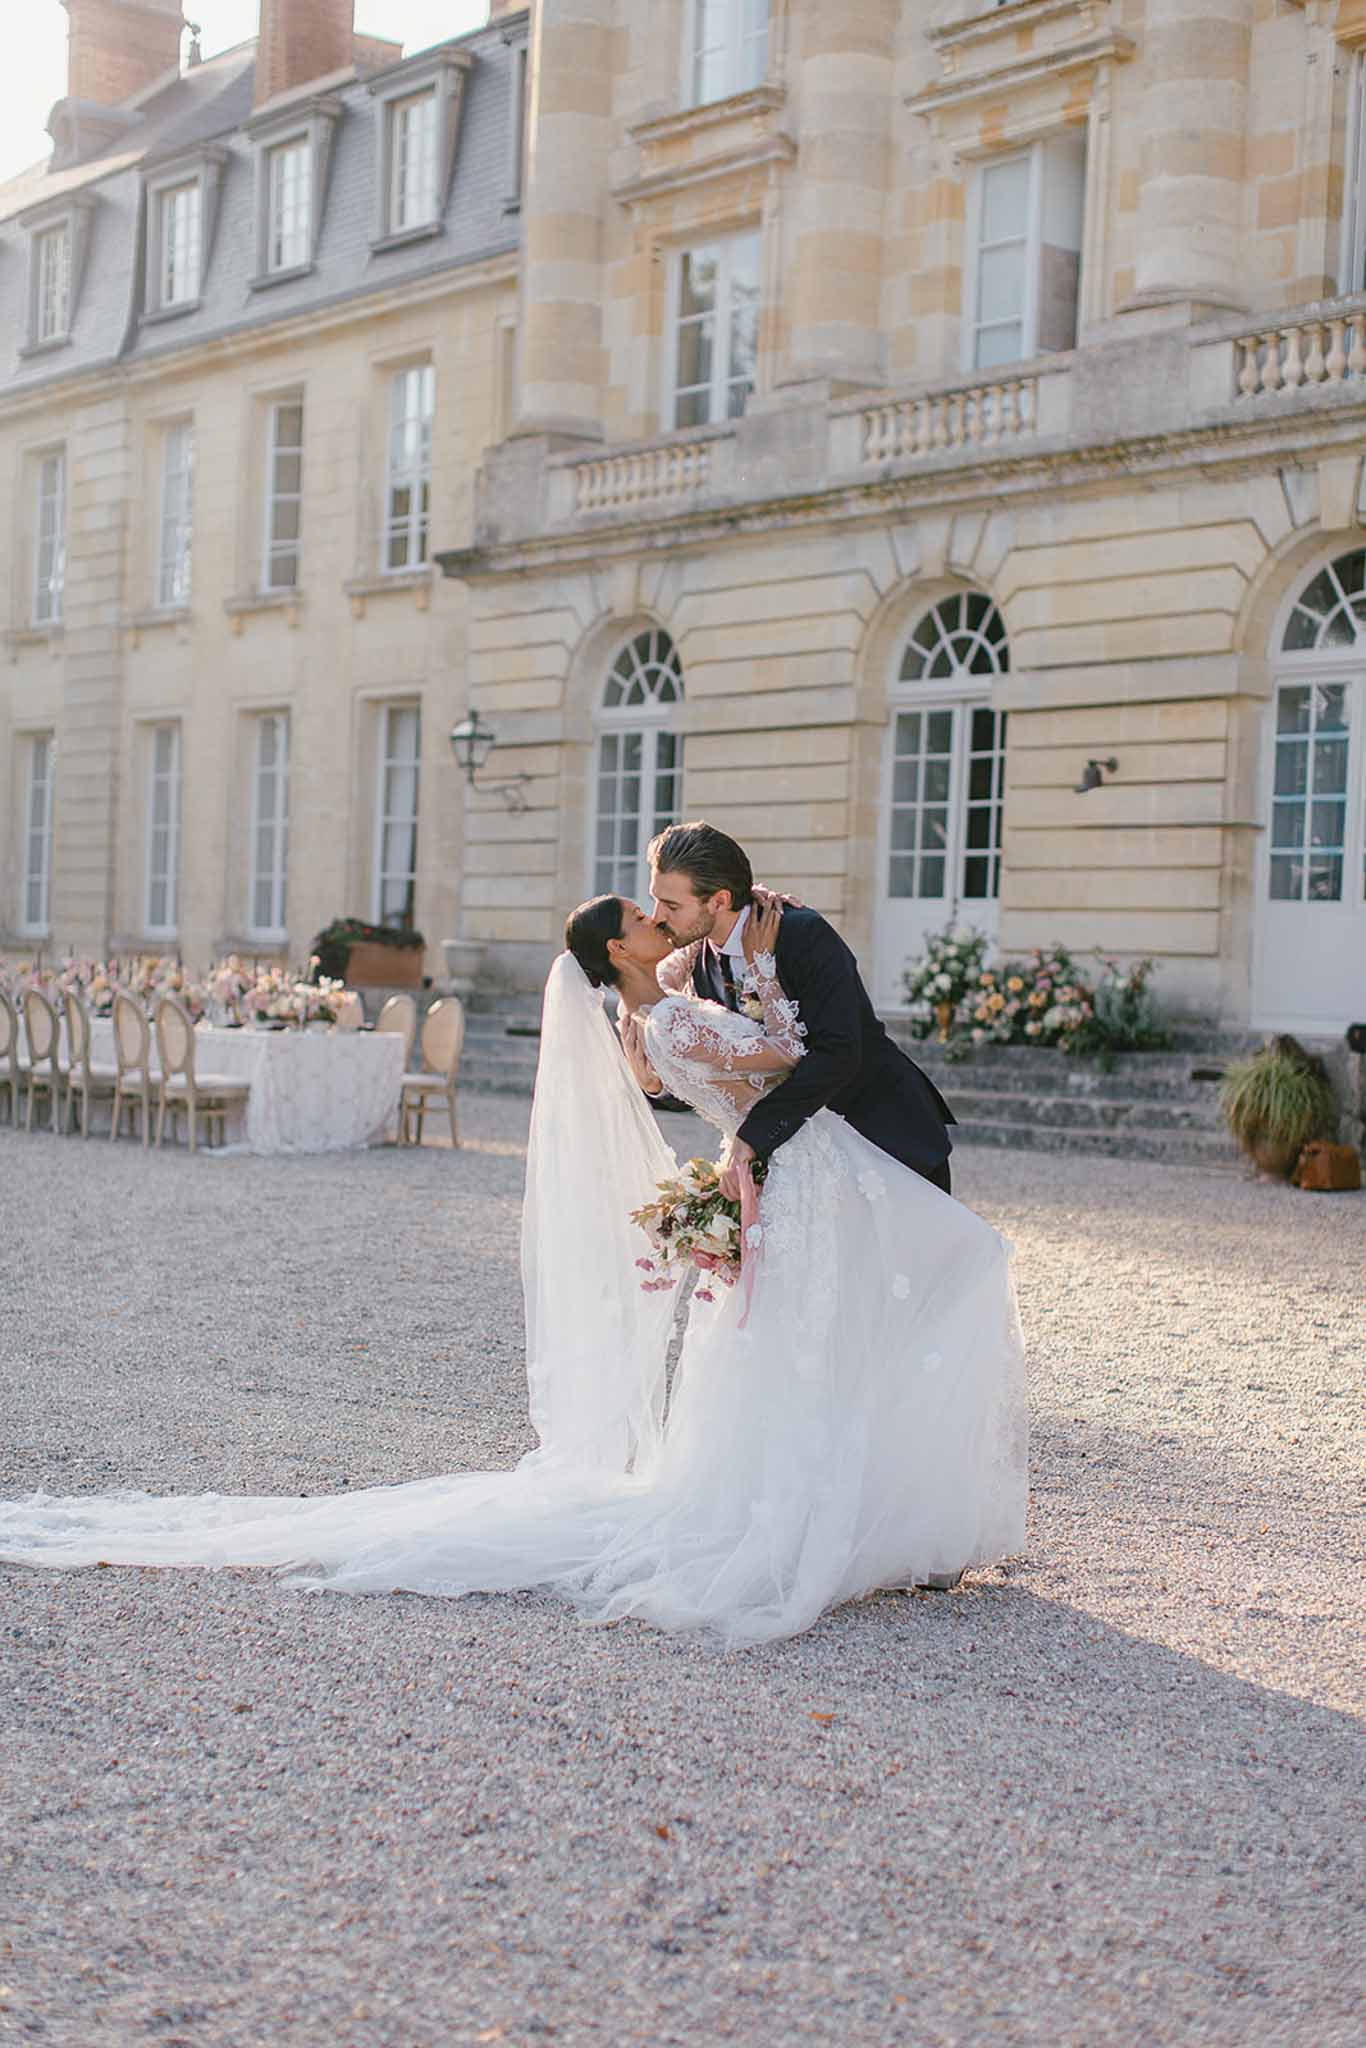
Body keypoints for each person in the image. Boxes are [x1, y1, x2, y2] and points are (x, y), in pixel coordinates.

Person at [0, 896, 1027, 1647]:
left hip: (786, 1177)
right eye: (644, 912)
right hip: (783, 1172)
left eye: (660, 901)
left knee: (782, 1353)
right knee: (834, 1331)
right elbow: (797, 1057)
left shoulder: (665, 1003)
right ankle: (818, 1514)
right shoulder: (665, 1018)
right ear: (614, 949)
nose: (658, 917)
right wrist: (764, 996)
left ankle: (828, 1507)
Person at [647, 821, 956, 1197]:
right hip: (806, 1167)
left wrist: (755, 1136)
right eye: (656, 899)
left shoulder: (801, 933)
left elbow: (839, 1050)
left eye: (671, 904)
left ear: (720, 900)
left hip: (885, 1139)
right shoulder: (698, 960)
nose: (656, 915)